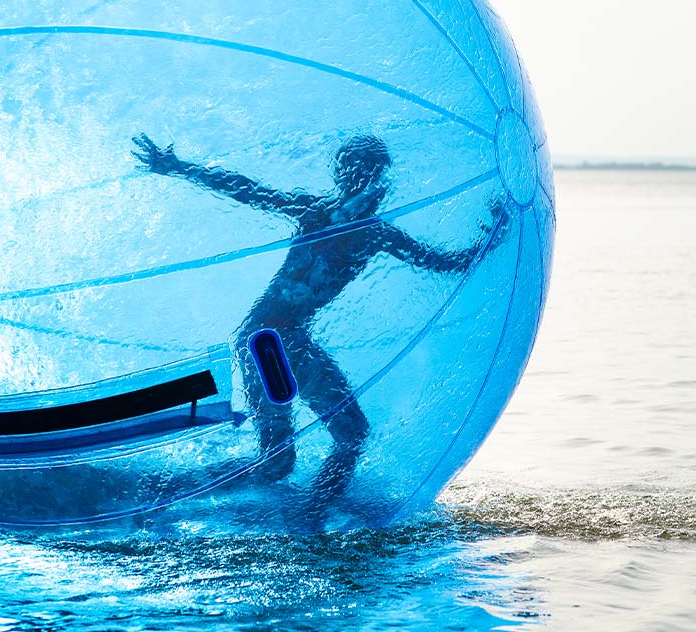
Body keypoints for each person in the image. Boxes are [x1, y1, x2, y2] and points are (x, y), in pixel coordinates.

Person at [132, 133, 506, 501]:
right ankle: (302, 514)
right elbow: (244, 189)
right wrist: (179, 167)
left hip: (269, 341)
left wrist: (488, 238)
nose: (369, 181)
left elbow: (440, 261)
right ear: (350, 176)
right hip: (271, 342)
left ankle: (170, 490)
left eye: (372, 173)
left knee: (284, 459)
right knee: (340, 438)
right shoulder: (320, 217)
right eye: (362, 172)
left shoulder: (368, 231)